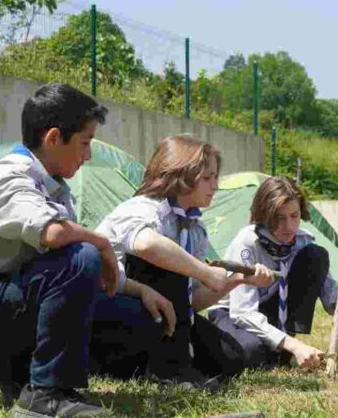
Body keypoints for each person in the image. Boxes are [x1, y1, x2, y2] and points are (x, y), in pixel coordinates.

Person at [0, 83, 173, 418]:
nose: (88, 155)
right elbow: (53, 235)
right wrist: (103, 244)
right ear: (53, 138)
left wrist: (141, 290)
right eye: (85, 142)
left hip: (14, 297)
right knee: (81, 256)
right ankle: (46, 395)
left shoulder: (53, 184)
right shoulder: (11, 175)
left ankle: (27, 376)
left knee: (139, 315)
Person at [94, 134, 273, 389]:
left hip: (160, 315)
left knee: (230, 358)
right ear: (181, 175)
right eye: (207, 178)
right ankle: (168, 370)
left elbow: (190, 301)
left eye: (215, 177)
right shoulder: (142, 207)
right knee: (168, 260)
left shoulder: (195, 227)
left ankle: (165, 363)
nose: (215, 185)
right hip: (116, 311)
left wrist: (238, 279)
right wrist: (204, 272)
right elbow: (145, 245)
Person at [207, 176, 338, 370]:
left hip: (270, 315)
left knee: (315, 255)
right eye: (279, 218)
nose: (288, 227)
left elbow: (333, 306)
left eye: (294, 216)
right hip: (232, 315)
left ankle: (280, 348)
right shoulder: (247, 243)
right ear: (264, 215)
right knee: (250, 351)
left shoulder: (304, 242)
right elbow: (242, 313)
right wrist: (295, 346)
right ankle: (280, 351)